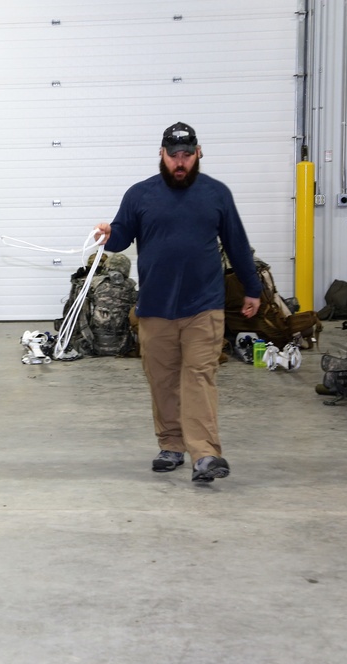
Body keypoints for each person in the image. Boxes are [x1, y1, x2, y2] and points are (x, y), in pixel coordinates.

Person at [93, 122, 261, 483]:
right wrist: (108, 234)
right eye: (174, 156)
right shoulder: (140, 195)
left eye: (187, 155)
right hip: (155, 307)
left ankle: (205, 454)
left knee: (199, 377)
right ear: (162, 155)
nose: (180, 162)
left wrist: (253, 287)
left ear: (199, 153)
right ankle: (171, 444)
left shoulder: (216, 194)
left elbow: (237, 242)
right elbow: (120, 237)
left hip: (204, 305)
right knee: (163, 379)